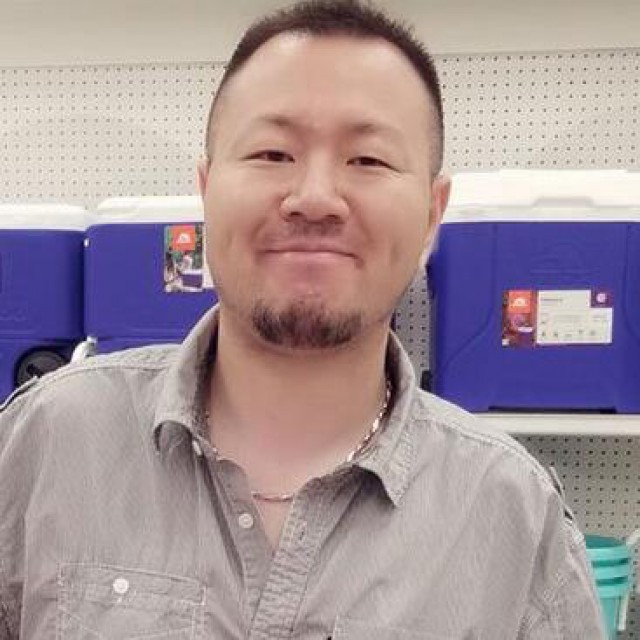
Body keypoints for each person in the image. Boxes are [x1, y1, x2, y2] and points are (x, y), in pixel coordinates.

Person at [0, 1, 606, 638]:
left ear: (432, 213)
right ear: (206, 190)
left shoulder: (513, 518)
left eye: (368, 160)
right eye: (271, 152)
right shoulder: (45, 443)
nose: (315, 198)